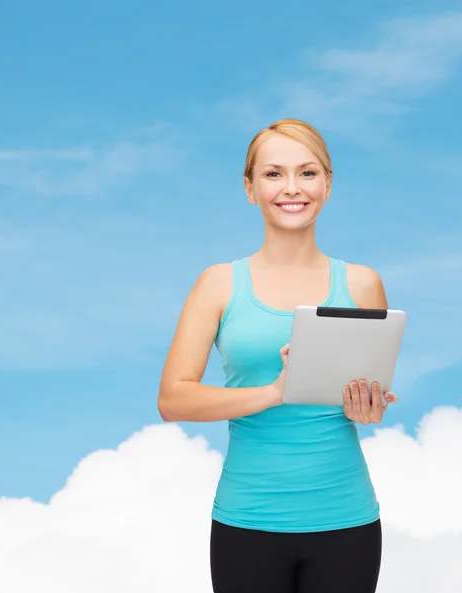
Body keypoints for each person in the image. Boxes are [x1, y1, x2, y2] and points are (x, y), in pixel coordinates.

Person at [158, 118, 398, 593]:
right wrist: (274, 393)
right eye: (273, 174)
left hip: (347, 521)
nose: (292, 188)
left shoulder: (363, 284)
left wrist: (368, 408)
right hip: (247, 521)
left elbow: (367, 402)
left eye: (308, 173)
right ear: (249, 188)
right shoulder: (218, 284)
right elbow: (174, 399)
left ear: (328, 185)